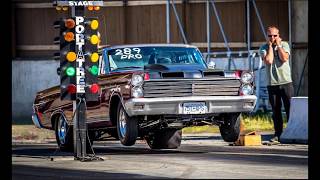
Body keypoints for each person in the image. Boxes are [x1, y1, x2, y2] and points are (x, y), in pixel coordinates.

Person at [259, 26, 294, 143]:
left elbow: (284, 58)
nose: (272, 38)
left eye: (275, 35)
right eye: (270, 36)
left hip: (286, 82)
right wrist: (270, 46)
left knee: (290, 108)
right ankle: (278, 134)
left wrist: (278, 46)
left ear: (279, 36)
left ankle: (291, 132)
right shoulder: (263, 48)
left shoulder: (284, 45)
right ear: (267, 36)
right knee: (276, 110)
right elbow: (268, 60)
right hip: (272, 84)